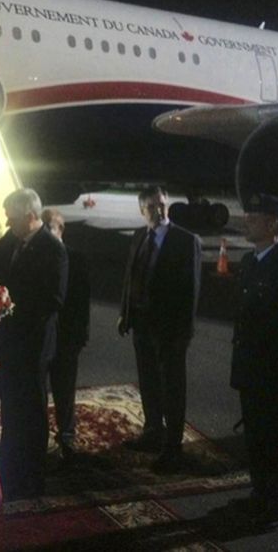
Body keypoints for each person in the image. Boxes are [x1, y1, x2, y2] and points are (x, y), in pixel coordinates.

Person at [117, 186, 201, 473]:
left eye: (162, 205)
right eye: (152, 207)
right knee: (149, 381)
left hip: (170, 330)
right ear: (142, 211)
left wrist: (185, 332)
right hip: (142, 324)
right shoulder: (140, 236)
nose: (160, 211)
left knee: (172, 387)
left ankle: (173, 447)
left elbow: (191, 291)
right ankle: (153, 432)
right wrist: (125, 313)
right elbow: (131, 275)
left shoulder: (185, 241)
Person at [0, 188, 68, 500]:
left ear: (31, 216)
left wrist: (11, 305)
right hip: (9, 342)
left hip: (33, 344)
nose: (7, 221)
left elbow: (54, 299)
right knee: (10, 406)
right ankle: (9, 467)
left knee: (32, 410)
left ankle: (33, 475)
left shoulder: (52, 249)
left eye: (12, 216)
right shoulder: (10, 241)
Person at [230, 192, 278, 522]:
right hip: (250, 365)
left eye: (254, 217)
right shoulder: (250, 262)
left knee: (273, 434)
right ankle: (260, 489)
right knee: (255, 434)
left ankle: (272, 497)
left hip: (273, 370)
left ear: (273, 224)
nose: (246, 221)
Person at [42, 208, 90, 460]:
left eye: (48, 228)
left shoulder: (76, 259)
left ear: (60, 230)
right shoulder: (37, 257)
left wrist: (80, 336)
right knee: (40, 390)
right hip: (43, 338)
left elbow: (82, 302)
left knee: (65, 391)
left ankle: (67, 436)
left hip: (67, 337)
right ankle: (40, 437)